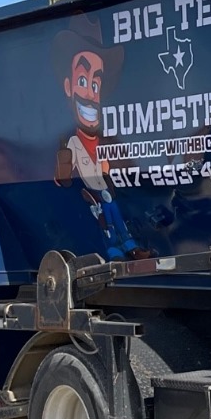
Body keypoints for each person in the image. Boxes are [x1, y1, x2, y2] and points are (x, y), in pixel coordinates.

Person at [50, 16, 145, 260]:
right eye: (83, 81)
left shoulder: (108, 143)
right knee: (104, 219)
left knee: (115, 212)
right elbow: (63, 181)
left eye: (96, 83)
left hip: (106, 192)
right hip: (90, 195)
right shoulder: (71, 143)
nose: (91, 93)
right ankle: (113, 249)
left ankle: (129, 245)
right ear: (68, 87)